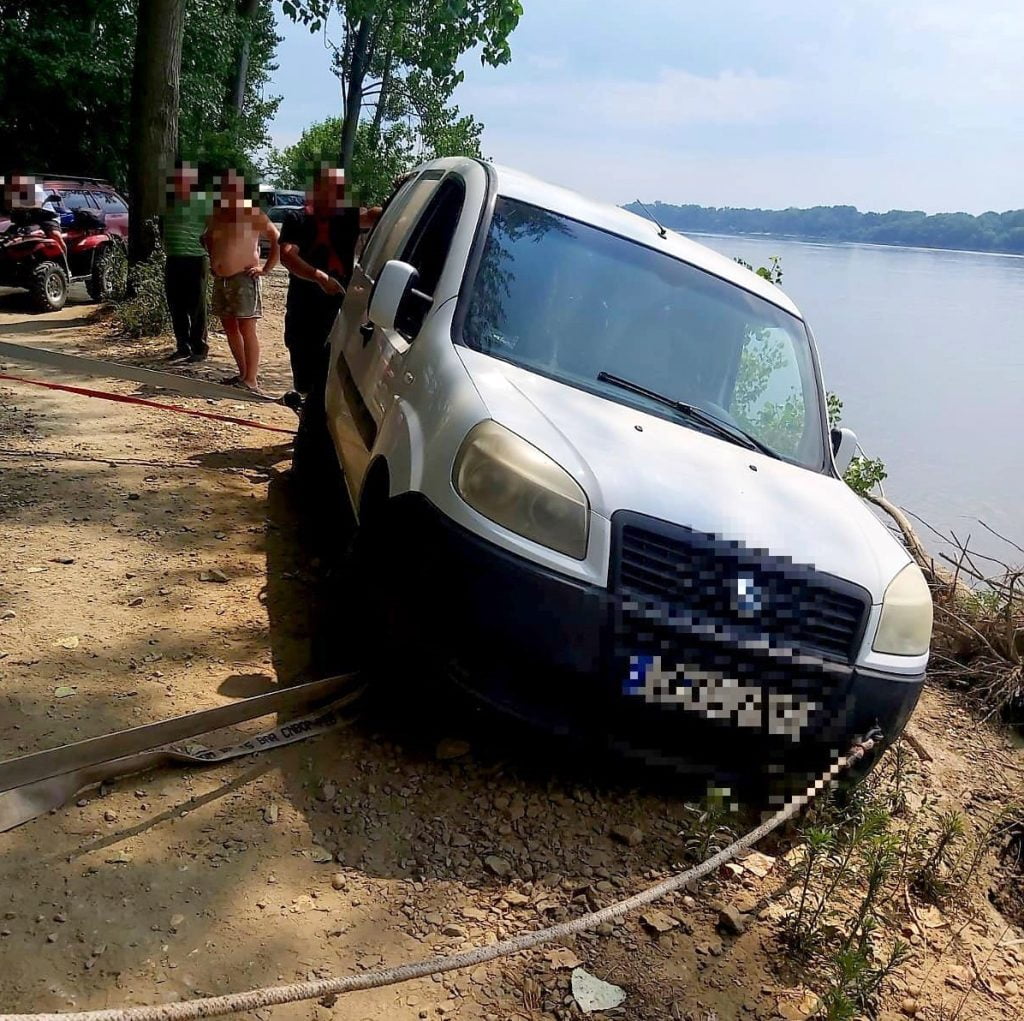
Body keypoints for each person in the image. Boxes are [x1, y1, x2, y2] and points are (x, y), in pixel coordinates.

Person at [278, 166, 382, 398]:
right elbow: (287, 255)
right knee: (303, 357)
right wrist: (319, 277)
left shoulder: (347, 217)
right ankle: (305, 399)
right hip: (304, 305)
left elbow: (373, 216)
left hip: (340, 305)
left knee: (334, 361)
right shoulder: (298, 218)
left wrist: (397, 198)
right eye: (332, 187)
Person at [203, 168, 279, 394]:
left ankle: (252, 380)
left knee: (247, 326)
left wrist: (265, 268)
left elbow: (277, 239)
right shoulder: (217, 213)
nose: (228, 191)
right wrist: (214, 258)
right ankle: (243, 373)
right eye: (224, 187)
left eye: (233, 187)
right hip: (222, 279)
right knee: (229, 326)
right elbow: (207, 237)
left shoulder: (252, 212)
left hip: (244, 278)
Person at [160, 162, 213, 362]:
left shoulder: (203, 202)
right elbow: (163, 228)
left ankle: (199, 347)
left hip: (196, 259)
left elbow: (213, 226)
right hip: (174, 259)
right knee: (176, 305)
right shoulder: (169, 203)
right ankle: (182, 346)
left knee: (197, 305)